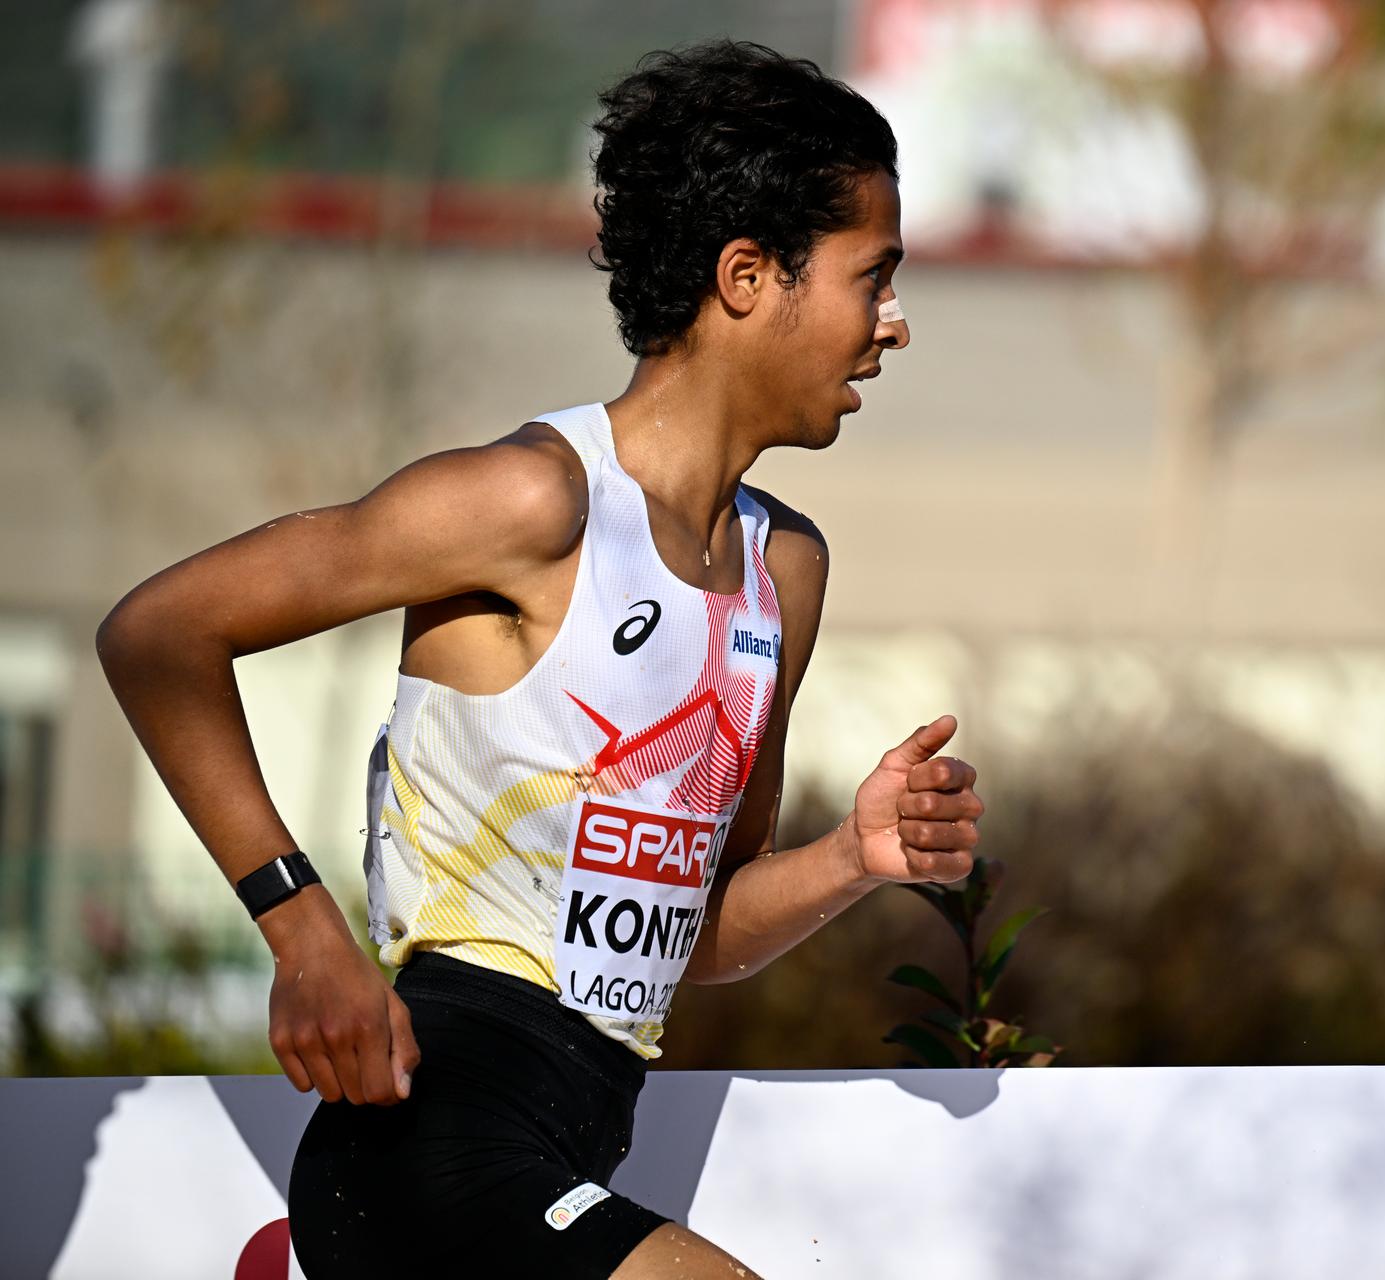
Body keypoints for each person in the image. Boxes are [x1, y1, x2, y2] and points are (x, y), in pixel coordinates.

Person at [94, 39, 985, 1279]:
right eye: (870, 277)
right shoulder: (529, 501)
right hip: (426, 1144)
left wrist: (851, 857)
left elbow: (697, 934)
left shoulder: (788, 572)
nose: (893, 324)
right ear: (746, 276)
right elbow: (156, 632)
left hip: (574, 1148)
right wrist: (302, 930)